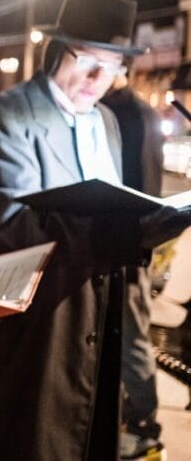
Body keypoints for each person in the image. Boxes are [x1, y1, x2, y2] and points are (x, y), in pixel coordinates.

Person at [0, 0, 191, 460]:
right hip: (35, 340)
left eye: (110, 68)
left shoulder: (106, 121)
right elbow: (14, 232)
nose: (96, 78)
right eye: (87, 60)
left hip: (97, 330)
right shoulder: (8, 118)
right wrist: (129, 230)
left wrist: (158, 221)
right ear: (55, 50)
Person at [102, 73, 167, 460]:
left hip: (128, 249)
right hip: (116, 246)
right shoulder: (119, 107)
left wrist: (137, 247)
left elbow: (145, 189)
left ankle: (145, 428)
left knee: (131, 340)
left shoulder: (133, 113)